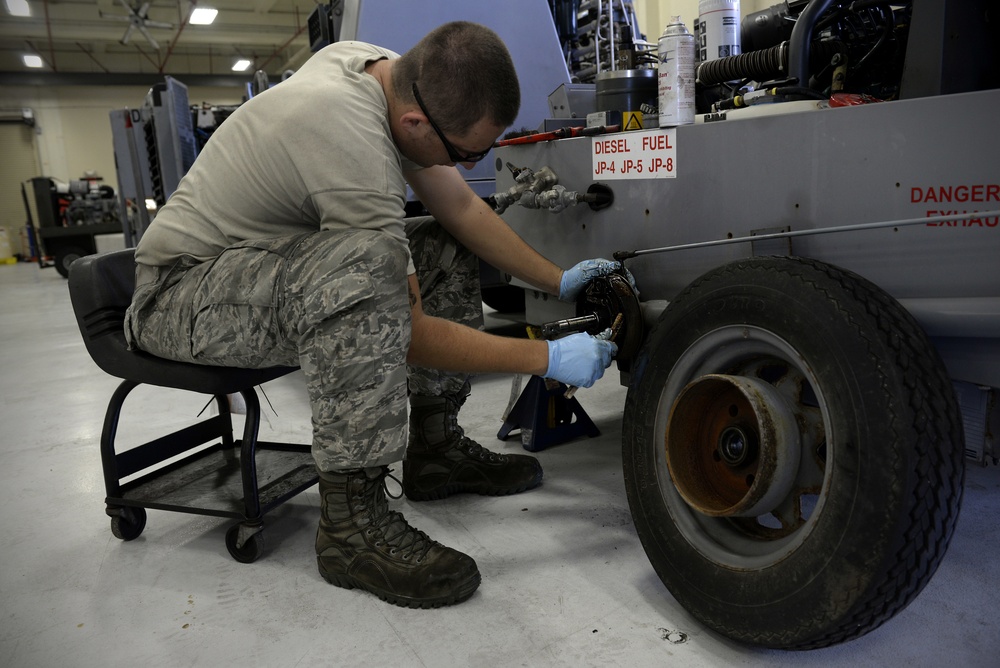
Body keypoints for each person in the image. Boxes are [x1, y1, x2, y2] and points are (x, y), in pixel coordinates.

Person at [124, 21, 625, 609]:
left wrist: (557, 280)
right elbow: (405, 330)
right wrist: (547, 358)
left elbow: (462, 208)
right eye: (467, 153)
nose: (468, 167)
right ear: (417, 125)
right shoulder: (348, 135)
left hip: (249, 271)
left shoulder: (386, 73)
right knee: (364, 271)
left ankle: (435, 450)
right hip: (178, 295)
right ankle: (351, 527)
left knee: (440, 243)